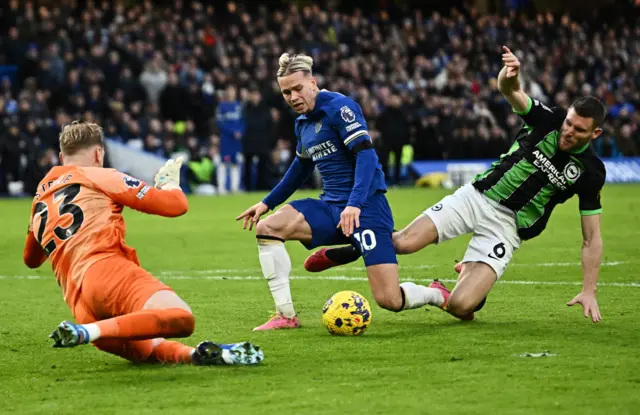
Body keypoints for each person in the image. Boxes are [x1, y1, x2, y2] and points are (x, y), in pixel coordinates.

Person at [305, 46, 606, 323]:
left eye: (578, 130)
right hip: (476, 197)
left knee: (462, 308)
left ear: (595, 134)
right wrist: (507, 76)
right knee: (402, 243)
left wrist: (589, 290)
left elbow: (591, 238)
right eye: (568, 123)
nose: (568, 131)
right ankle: (353, 249)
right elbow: (510, 91)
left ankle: (441, 291)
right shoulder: (548, 120)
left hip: (508, 228)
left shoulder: (590, 171)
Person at [24, 121, 264, 365]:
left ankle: (198, 355)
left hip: (79, 302)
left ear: (62, 156)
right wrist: (168, 183)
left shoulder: (40, 198)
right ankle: (87, 332)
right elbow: (175, 206)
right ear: (99, 153)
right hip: (104, 271)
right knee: (180, 317)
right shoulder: (100, 175)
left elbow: (31, 259)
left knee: (147, 350)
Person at [236, 53, 440, 331]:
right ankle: (285, 316)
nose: (293, 96)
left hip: (366, 208)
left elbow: (366, 156)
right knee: (268, 228)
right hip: (331, 207)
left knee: (389, 299)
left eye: (298, 88)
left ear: (313, 82)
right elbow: (301, 167)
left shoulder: (340, 108)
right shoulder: (303, 122)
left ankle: (436, 293)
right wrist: (265, 203)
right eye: (286, 92)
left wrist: (355, 204)